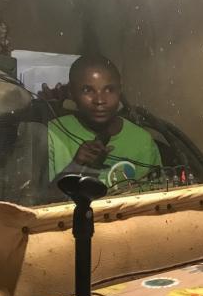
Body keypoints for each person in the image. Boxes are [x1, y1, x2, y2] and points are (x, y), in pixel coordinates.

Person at [47, 55, 161, 193]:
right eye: (87, 90)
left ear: (120, 90)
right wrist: (76, 166)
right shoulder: (53, 133)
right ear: (71, 92)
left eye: (109, 90)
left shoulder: (142, 140)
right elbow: (39, 203)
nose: (100, 100)